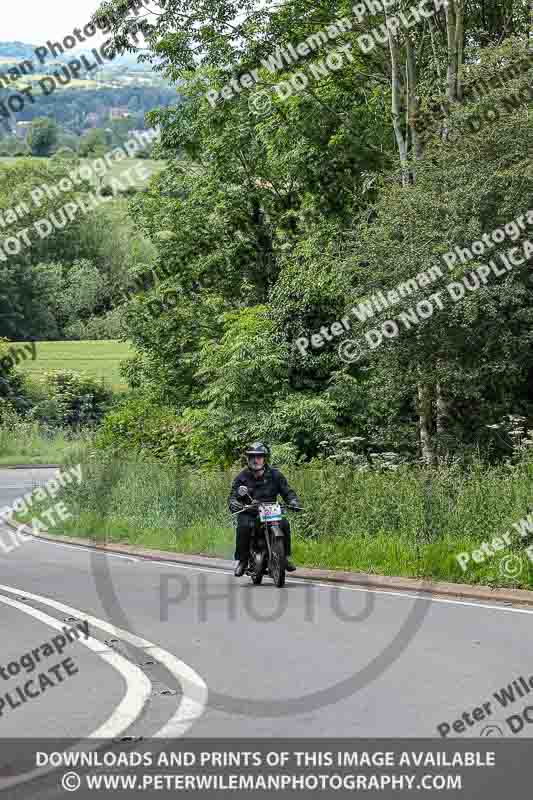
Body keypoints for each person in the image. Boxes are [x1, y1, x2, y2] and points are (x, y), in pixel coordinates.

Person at [228, 442, 301, 577]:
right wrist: (234, 503)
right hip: (250, 512)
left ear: (264, 458)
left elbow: (287, 491)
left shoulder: (275, 475)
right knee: (243, 526)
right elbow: (233, 496)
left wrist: (293, 501)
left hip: (271, 511)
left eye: (259, 456)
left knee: (284, 523)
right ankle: (243, 561)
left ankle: (285, 557)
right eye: (252, 457)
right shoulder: (241, 477)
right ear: (248, 459)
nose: (256, 460)